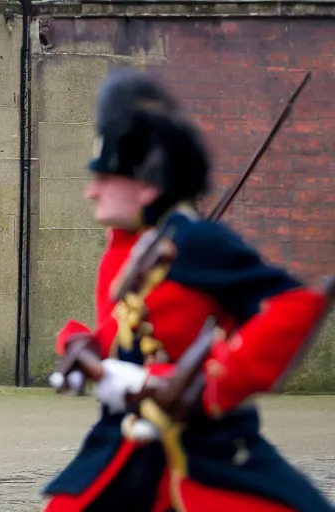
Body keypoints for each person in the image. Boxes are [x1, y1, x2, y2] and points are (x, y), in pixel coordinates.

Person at [42, 67, 334, 511]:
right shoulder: (121, 252)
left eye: (105, 179)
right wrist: (86, 350)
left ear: (146, 187)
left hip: (204, 449)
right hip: (124, 447)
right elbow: (130, 337)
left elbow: (292, 303)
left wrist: (209, 379)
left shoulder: (195, 241)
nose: (91, 193)